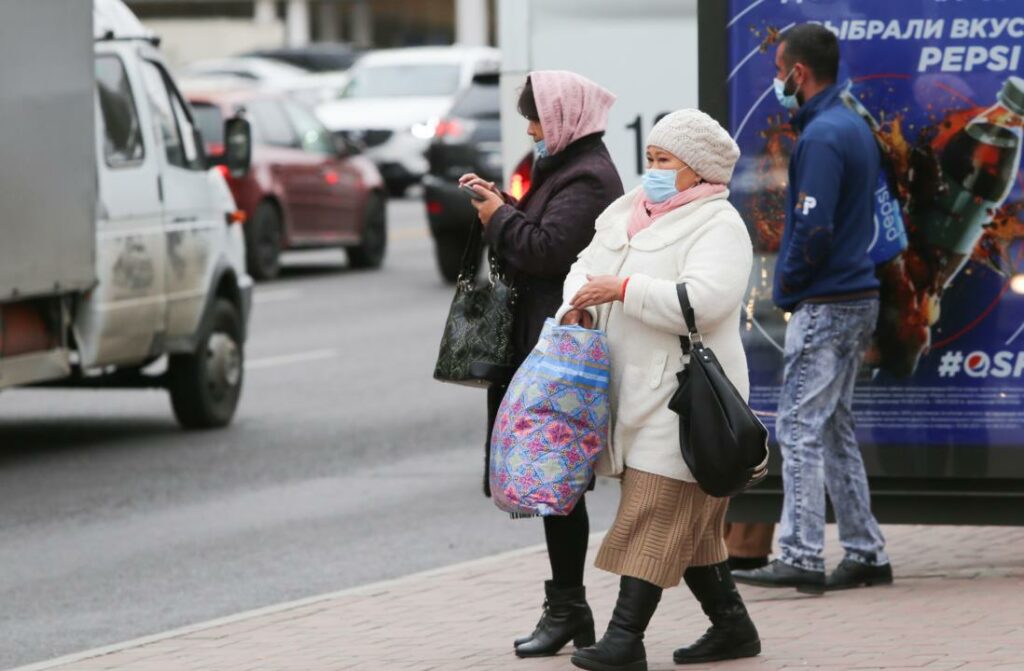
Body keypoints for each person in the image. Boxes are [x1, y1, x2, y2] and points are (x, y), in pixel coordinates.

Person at [555, 109, 760, 670]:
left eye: (665, 161)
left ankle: (625, 639)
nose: (653, 171)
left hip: (685, 396)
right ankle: (733, 627)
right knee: (687, 526)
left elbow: (707, 300)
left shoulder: (720, 224)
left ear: (697, 171)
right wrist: (580, 304)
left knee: (653, 509)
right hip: (626, 391)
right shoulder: (626, 212)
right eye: (650, 158)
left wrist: (624, 288)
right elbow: (582, 267)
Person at [460, 70, 624, 658]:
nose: (530, 129)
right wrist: (503, 204)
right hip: (547, 345)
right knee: (557, 484)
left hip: (564, 351)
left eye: (536, 117)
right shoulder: (566, 169)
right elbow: (541, 232)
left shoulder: (588, 177)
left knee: (562, 482)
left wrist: (498, 220)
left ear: (562, 118)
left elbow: (546, 249)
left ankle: (573, 610)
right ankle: (568, 608)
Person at [731, 23, 893, 593]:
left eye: (779, 72)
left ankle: (800, 554)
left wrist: (787, 286)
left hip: (826, 301)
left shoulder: (823, 135)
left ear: (798, 73)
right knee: (834, 428)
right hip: (858, 296)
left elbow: (813, 225)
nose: (777, 82)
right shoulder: (851, 124)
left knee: (798, 427)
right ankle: (865, 551)